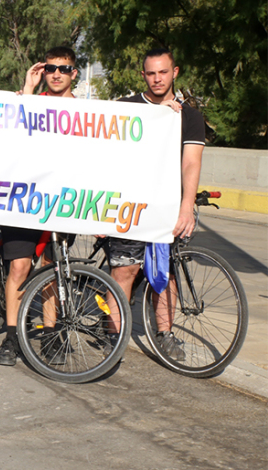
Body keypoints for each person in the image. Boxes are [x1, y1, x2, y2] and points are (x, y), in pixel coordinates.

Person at [103, 48, 206, 360]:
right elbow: (105, 159)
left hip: (168, 205)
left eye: (163, 72)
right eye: (151, 73)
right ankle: (112, 333)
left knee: (167, 271)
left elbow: (191, 163)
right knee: (125, 270)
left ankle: (165, 334)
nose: (157, 78)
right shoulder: (128, 108)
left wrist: (186, 207)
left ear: (175, 72)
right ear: (143, 75)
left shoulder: (188, 115)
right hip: (129, 206)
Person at [0, 46, 80, 367]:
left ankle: (49, 333)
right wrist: (28, 91)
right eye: (51, 68)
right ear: (43, 71)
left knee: (50, 268)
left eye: (64, 68)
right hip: (25, 199)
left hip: (63, 203)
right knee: (19, 267)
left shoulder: (90, 112)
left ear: (74, 73)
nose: (57, 73)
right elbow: (8, 139)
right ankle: (12, 336)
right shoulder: (29, 101)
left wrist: (164, 114)